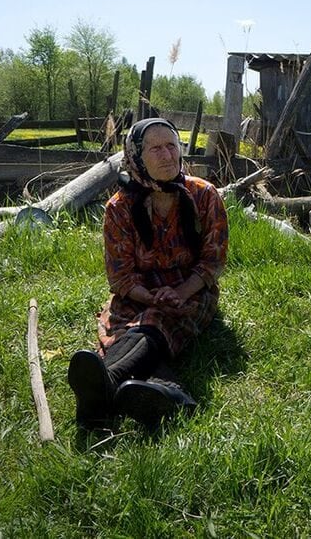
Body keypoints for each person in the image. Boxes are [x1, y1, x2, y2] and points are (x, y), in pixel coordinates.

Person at [68, 117, 228, 430]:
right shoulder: (120, 208)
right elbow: (120, 277)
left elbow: (212, 262)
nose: (168, 155)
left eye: (172, 146)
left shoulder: (204, 196)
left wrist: (178, 293)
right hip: (138, 294)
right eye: (156, 149)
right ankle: (169, 393)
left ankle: (107, 383)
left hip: (192, 291)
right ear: (137, 157)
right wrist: (150, 296)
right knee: (134, 324)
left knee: (153, 320)